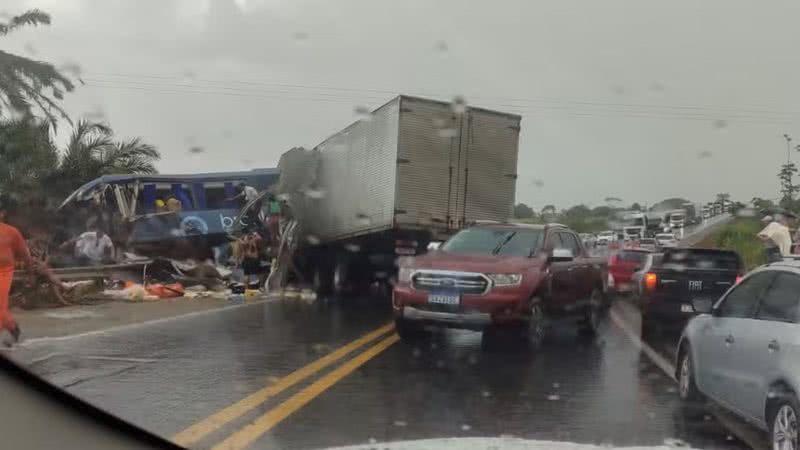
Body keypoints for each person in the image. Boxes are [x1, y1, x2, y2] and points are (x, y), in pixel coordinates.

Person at [0, 197, 31, 342]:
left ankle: (13, 328)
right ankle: (11, 327)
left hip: (4, 272)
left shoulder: (12, 232)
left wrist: (29, 270)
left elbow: (24, 253)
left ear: (2, 214)